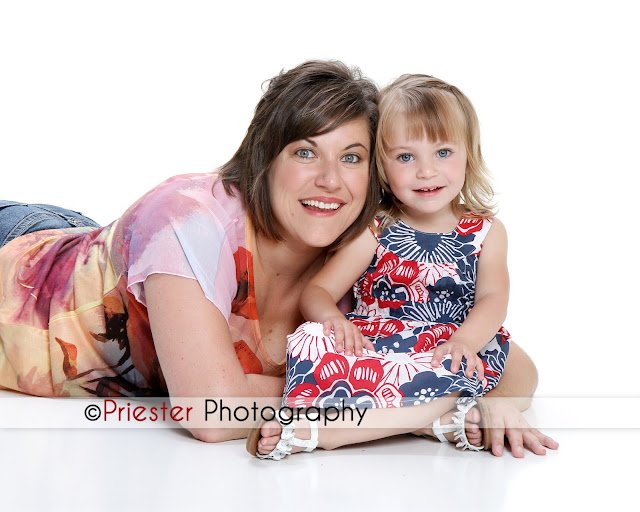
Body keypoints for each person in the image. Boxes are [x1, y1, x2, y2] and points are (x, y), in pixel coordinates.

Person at [0, 61, 553, 457]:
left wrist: (410, 394)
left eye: (352, 157)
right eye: (306, 151)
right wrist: (426, 407)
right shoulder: (183, 221)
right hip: (22, 272)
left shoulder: (364, 251)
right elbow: (212, 411)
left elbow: (513, 370)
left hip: (91, 238)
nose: (330, 180)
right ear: (265, 158)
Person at [250, 74, 559, 459]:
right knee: (311, 337)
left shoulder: (485, 231)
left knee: (500, 368)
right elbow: (318, 291)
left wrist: (465, 341)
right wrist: (333, 320)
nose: (426, 171)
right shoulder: (375, 228)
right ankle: (437, 421)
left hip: (445, 348)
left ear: (469, 153)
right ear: (381, 165)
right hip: (378, 349)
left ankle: (331, 432)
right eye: (406, 157)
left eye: (443, 152)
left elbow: (493, 298)